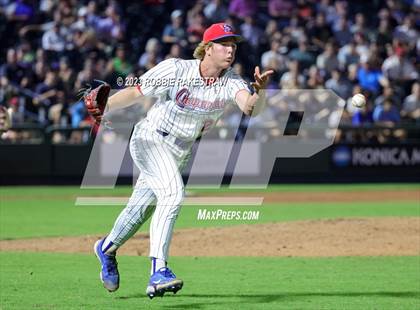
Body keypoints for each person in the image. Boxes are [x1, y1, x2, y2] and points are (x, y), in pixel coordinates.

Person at [88, 23, 273, 298]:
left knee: (140, 211)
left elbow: (249, 108)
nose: (230, 49)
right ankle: (158, 271)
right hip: (150, 139)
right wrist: (104, 106)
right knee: (174, 194)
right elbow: (137, 92)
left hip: (180, 151)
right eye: (224, 43)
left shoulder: (231, 81)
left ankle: (106, 248)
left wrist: (260, 92)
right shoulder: (175, 69)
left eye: (233, 44)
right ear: (207, 49)